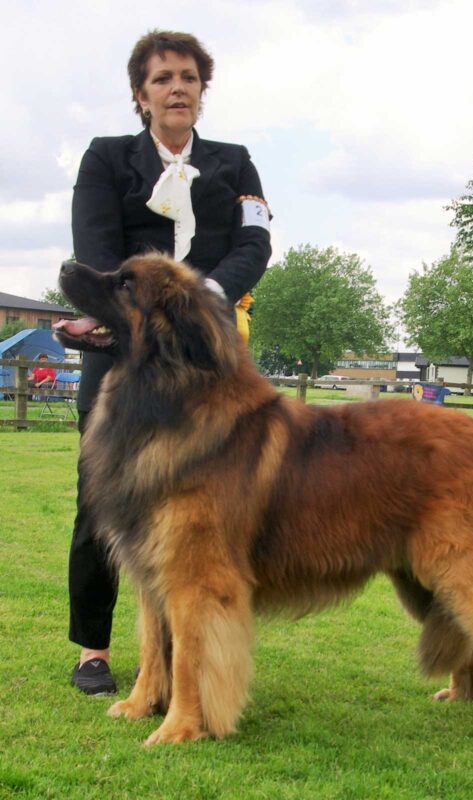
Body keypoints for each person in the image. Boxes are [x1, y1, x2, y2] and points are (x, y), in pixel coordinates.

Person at [68, 30, 271, 695]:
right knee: (103, 500)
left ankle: (190, 659)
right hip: (127, 352)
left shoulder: (236, 163)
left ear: (202, 92)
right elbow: (99, 252)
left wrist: (201, 297)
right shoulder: (107, 160)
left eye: (188, 77)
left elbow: (256, 243)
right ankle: (95, 650)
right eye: (162, 78)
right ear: (140, 95)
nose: (177, 87)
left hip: (210, 354)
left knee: (202, 513)